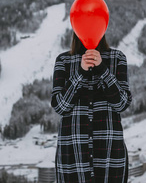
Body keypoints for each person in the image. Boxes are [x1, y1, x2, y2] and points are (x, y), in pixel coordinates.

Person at [51, 32, 132, 183]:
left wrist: (102, 69)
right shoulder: (64, 60)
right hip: (73, 154)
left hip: (109, 151)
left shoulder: (117, 58)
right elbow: (60, 106)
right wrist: (80, 72)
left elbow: (122, 103)